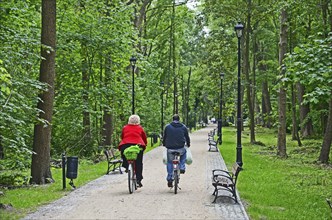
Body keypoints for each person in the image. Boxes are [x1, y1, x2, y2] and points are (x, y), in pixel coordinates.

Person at [118, 114, 147, 187]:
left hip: (126, 144)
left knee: (124, 154)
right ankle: (138, 179)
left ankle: (126, 166)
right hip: (138, 145)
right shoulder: (140, 128)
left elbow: (122, 136)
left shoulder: (125, 128)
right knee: (139, 163)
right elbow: (144, 137)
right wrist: (145, 144)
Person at [163, 114, 190, 187]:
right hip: (180, 147)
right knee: (184, 153)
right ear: (179, 119)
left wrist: (164, 144)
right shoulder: (183, 127)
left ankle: (169, 178)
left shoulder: (167, 127)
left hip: (170, 148)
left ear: (172, 119)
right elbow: (187, 137)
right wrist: (188, 144)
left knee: (169, 162)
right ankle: (182, 167)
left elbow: (164, 136)